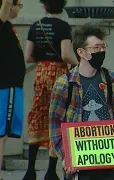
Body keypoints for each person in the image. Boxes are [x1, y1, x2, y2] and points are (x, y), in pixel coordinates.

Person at [48, 24, 114, 180]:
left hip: (110, 163)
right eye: (96, 48)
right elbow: (55, 125)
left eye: (103, 47)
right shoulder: (64, 84)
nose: (102, 51)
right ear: (81, 52)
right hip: (79, 165)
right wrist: (67, 158)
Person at [23, 0, 78, 179]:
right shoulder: (63, 26)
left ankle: (30, 170)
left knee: (38, 113)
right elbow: (65, 54)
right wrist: (78, 63)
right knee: (57, 117)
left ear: (44, 6)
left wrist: (42, 60)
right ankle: (50, 170)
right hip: (58, 74)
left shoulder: (35, 26)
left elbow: (28, 56)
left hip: (40, 73)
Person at [0, 0, 25, 179]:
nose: (19, 8)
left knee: (3, 134)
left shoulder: (7, 27)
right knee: (1, 134)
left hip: (10, 88)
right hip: (6, 88)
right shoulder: (1, 25)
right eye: (19, 4)